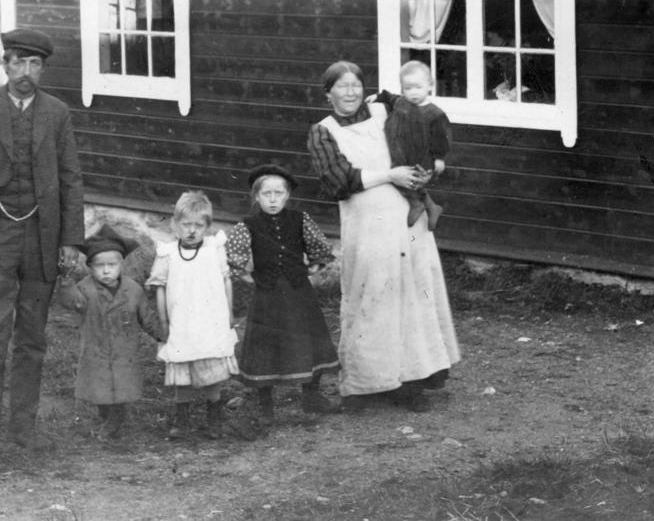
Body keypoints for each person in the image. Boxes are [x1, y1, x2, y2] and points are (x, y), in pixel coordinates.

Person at [0, 27, 85, 469]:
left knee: (32, 340)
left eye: (35, 64)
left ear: (43, 68)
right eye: (18, 63)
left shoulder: (57, 113)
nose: (26, 73)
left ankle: (24, 429)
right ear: (4, 64)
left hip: (42, 241)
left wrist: (69, 242)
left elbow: (70, 180)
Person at [306, 60, 460, 413]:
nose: (350, 92)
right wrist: (390, 174)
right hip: (367, 225)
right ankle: (364, 384)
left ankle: (411, 382)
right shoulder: (323, 131)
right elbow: (340, 182)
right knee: (371, 298)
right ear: (328, 93)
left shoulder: (384, 109)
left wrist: (430, 164)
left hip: (408, 220)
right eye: (341, 86)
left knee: (410, 298)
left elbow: (423, 126)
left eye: (355, 85)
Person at [225, 163, 339, 424]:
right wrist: (250, 279)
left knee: (308, 339)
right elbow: (233, 259)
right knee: (266, 345)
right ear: (256, 197)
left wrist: (313, 268)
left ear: (288, 195)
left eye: (279, 193)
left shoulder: (300, 219)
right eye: (267, 194)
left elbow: (318, 247)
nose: (273, 199)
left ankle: (312, 395)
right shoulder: (248, 225)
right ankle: (264, 403)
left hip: (299, 292)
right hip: (267, 295)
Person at [56, 224, 165, 440]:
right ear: (90, 268)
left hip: (124, 352)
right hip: (96, 350)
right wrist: (66, 282)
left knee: (121, 389)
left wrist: (164, 335)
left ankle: (115, 420)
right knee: (99, 389)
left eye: (112, 265)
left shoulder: (133, 290)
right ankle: (106, 416)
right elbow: (73, 303)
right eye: (99, 266)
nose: (106, 270)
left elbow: (147, 318)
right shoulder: (85, 289)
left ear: (121, 265)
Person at [146, 190, 238, 440]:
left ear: (207, 226)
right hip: (182, 322)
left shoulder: (213, 248)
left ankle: (214, 417)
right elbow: (160, 288)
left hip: (211, 320)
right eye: (186, 225)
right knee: (183, 368)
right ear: (175, 225)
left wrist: (229, 312)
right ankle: (182, 418)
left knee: (212, 369)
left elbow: (226, 280)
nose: (192, 231)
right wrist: (164, 321)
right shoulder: (168, 253)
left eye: (199, 225)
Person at [377, 60, 451, 231]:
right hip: (402, 153)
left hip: (422, 155)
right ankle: (431, 207)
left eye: (418, 87)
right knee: (401, 178)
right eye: (408, 89)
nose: (413, 93)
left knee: (414, 181)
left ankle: (417, 204)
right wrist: (379, 97)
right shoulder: (402, 102)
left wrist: (439, 158)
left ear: (430, 86)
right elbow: (390, 97)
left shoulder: (435, 113)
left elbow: (442, 137)